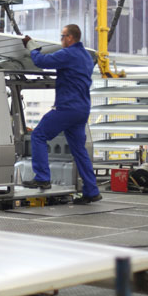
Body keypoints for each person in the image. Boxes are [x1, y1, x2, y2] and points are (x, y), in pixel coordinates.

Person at [21, 24, 101, 204]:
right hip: (82, 109)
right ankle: (91, 191)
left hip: (67, 107)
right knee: (79, 150)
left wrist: (31, 46)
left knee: (39, 135)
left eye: (62, 36)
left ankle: (42, 177)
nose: (61, 40)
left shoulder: (69, 54)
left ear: (70, 38)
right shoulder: (87, 57)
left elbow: (41, 61)